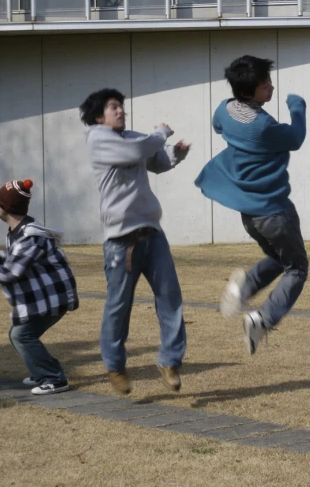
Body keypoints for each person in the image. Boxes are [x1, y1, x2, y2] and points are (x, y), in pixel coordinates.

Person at [195, 55, 308, 355]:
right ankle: (262, 318)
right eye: (265, 84)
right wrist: (297, 107)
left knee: (276, 256)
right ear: (250, 91)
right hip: (275, 209)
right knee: (297, 268)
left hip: (250, 213)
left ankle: (242, 288)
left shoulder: (226, 109)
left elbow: (218, 125)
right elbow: (295, 138)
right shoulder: (262, 126)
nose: (271, 87)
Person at [81, 88, 191, 395]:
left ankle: (170, 361)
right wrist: (162, 132)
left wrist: (176, 153)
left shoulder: (131, 136)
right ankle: (115, 365)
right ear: (98, 116)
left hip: (152, 235)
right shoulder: (97, 139)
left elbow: (157, 161)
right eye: (113, 107)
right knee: (119, 306)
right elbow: (136, 151)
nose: (121, 111)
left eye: (122, 106)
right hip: (121, 242)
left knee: (170, 298)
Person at [0, 179, 79, 395]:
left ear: (7, 207)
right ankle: (40, 372)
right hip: (44, 297)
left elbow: (9, 273)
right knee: (18, 333)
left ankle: (54, 378)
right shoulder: (19, 231)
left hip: (54, 298)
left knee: (21, 335)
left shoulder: (29, 237)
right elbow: (13, 259)